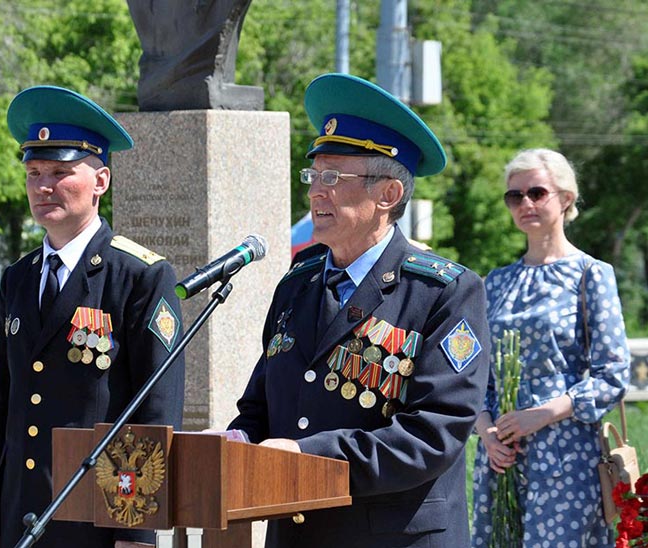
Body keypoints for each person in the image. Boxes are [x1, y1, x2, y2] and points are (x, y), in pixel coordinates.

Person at [227, 73, 491, 548]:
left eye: (333, 177)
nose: (315, 192)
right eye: (313, 176)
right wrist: (239, 442)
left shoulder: (443, 292)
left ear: (387, 195)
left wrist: (308, 455)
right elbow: (262, 405)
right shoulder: (298, 283)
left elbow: (436, 432)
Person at [0, 86, 185, 548]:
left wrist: (138, 530)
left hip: (97, 519)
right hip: (21, 516)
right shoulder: (18, 278)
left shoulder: (140, 276)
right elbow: (0, 407)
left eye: (61, 172)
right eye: (33, 172)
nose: (43, 186)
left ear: (101, 181)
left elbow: (154, 413)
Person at [471, 148, 631, 547]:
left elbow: (612, 374)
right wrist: (487, 432)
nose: (525, 203)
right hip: (501, 459)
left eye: (537, 192)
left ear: (566, 198)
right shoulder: (495, 282)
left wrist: (538, 416)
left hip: (565, 456)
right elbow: (474, 373)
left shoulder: (589, 274)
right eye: (514, 196)